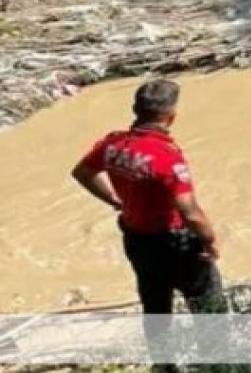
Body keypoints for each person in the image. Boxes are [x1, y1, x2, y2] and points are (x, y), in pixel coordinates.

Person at [71, 79, 226, 364]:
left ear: (135, 109)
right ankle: (215, 365)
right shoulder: (166, 157)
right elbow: (189, 211)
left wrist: (118, 202)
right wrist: (210, 240)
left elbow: (82, 172)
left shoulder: (112, 144)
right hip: (175, 243)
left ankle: (164, 366)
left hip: (137, 241)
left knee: (155, 309)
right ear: (171, 116)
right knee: (210, 310)